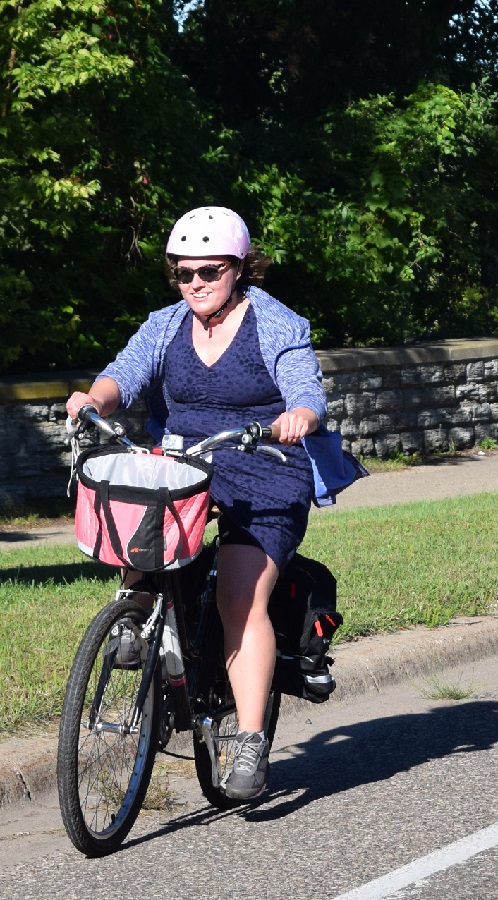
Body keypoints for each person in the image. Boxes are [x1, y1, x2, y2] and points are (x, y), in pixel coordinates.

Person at [66, 206, 327, 800]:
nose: (196, 284)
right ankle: (137, 617)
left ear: (238, 268)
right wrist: (94, 401)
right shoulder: (165, 325)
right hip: (186, 461)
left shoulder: (276, 323)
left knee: (239, 597)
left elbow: (307, 390)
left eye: (209, 271)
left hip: (264, 465)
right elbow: (124, 373)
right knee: (136, 523)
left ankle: (251, 741)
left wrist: (299, 416)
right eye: (184, 273)